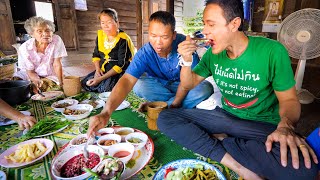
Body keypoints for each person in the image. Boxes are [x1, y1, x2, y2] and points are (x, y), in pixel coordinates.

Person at [157, 0, 318, 180]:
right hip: (225, 118)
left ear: (235, 23)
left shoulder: (272, 51)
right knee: (165, 118)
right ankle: (238, 164)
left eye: (211, 24)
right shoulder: (212, 55)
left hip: (262, 126)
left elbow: (289, 100)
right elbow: (189, 83)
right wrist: (186, 60)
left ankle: (221, 141)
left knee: (305, 170)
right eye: (204, 24)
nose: (205, 30)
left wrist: (285, 127)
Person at [87, 11, 213, 135]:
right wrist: (106, 113)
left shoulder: (184, 46)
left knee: (205, 88)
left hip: (185, 85)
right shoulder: (145, 53)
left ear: (174, 35)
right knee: (139, 85)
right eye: (153, 36)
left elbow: (189, 82)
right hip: (160, 86)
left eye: (164, 37)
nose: (158, 43)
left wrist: (174, 104)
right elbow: (127, 80)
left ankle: (158, 107)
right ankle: (172, 105)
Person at [81, 8, 136, 93]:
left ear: (117, 23)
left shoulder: (123, 39)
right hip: (103, 69)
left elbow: (121, 65)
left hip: (117, 71)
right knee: (85, 83)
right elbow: (96, 55)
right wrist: (97, 71)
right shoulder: (100, 36)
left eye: (109, 22)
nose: (105, 26)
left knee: (104, 89)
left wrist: (100, 78)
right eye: (103, 23)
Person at [14, 16, 67, 93]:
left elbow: (57, 64)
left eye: (48, 30)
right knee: (16, 84)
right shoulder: (25, 48)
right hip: (29, 73)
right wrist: (36, 80)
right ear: (32, 34)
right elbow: (30, 71)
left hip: (50, 74)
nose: (45, 34)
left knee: (45, 86)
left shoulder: (56, 40)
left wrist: (62, 83)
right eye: (40, 31)